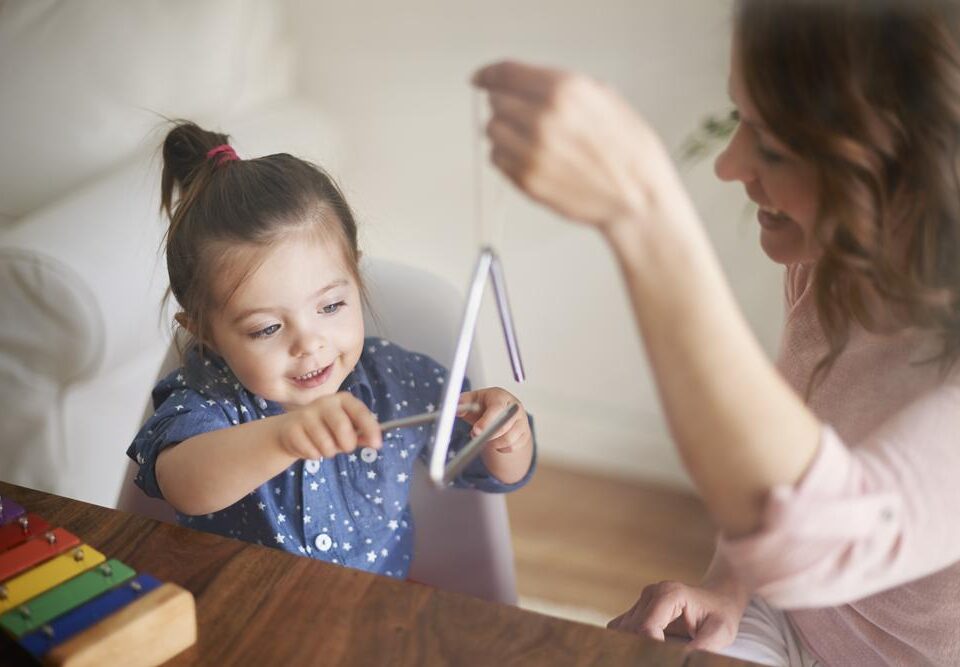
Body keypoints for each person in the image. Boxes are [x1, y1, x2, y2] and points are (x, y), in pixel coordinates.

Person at [474, 0, 960, 665]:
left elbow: (821, 539)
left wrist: (644, 210)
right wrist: (730, 590)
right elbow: (782, 453)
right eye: (741, 121)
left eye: (775, 145)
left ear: (912, 171)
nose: (729, 165)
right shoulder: (834, 266)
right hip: (793, 620)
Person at [127, 121, 535, 579]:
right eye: (266, 328)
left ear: (356, 278)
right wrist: (284, 436)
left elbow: (494, 469)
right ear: (203, 333)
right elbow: (184, 484)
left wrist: (504, 433)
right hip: (239, 622)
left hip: (367, 621)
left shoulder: (398, 382)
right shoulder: (206, 397)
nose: (309, 343)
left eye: (332, 305)